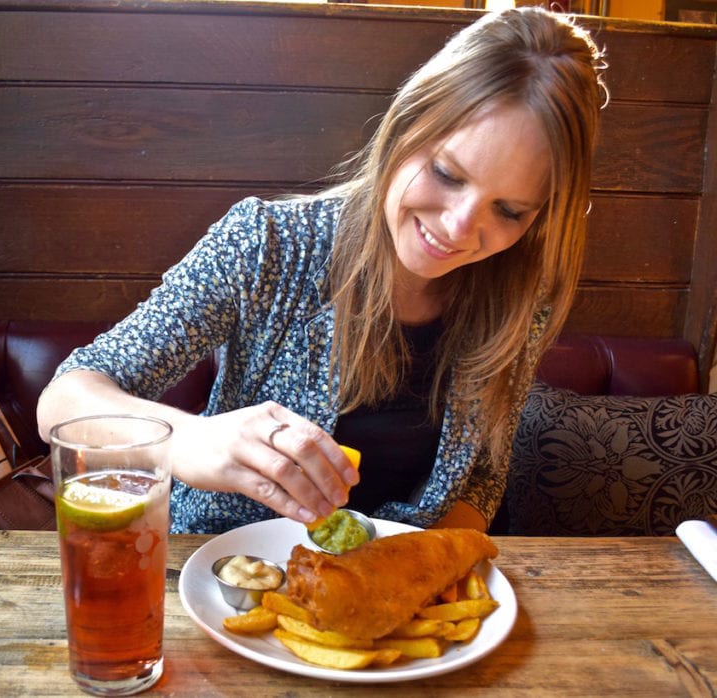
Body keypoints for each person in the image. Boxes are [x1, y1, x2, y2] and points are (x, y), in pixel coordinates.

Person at [36, 7, 608, 534]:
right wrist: (190, 440)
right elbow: (64, 399)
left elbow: (482, 475)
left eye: (508, 210)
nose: (459, 228)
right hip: (228, 581)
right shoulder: (267, 243)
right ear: (405, 126)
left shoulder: (521, 297)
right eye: (446, 173)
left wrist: (431, 566)